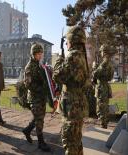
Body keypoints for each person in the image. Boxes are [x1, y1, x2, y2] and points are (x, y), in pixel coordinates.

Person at [53, 26, 88, 155]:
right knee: (76, 140)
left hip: (72, 108)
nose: (67, 43)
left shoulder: (73, 56)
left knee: (70, 142)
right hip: (78, 105)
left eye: (67, 41)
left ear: (72, 40)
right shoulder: (82, 56)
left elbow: (57, 76)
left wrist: (58, 60)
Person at [23, 43, 51, 152]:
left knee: (38, 118)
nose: (40, 56)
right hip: (35, 97)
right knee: (39, 119)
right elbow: (28, 84)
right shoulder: (29, 67)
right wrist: (41, 89)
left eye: (41, 53)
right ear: (33, 54)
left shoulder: (39, 65)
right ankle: (41, 142)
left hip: (41, 96)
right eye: (38, 54)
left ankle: (27, 130)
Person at [92, 44, 114, 129]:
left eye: (101, 51)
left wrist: (94, 67)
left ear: (104, 52)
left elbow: (96, 74)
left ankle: (103, 126)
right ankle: (104, 124)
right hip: (105, 87)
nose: (100, 53)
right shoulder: (109, 62)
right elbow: (110, 76)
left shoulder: (104, 63)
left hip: (102, 88)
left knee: (101, 108)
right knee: (104, 107)